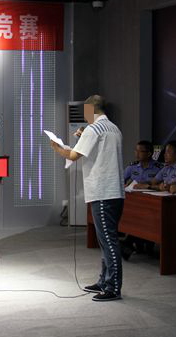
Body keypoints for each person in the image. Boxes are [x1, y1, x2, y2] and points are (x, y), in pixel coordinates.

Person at [50, 95, 125, 301]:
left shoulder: (93, 129)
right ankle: (104, 280)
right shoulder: (113, 128)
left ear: (91, 109)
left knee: (108, 241)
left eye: (85, 111)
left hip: (103, 191)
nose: (84, 115)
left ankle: (113, 287)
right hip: (115, 192)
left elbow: (74, 156)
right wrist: (84, 135)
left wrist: (57, 147)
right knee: (106, 240)